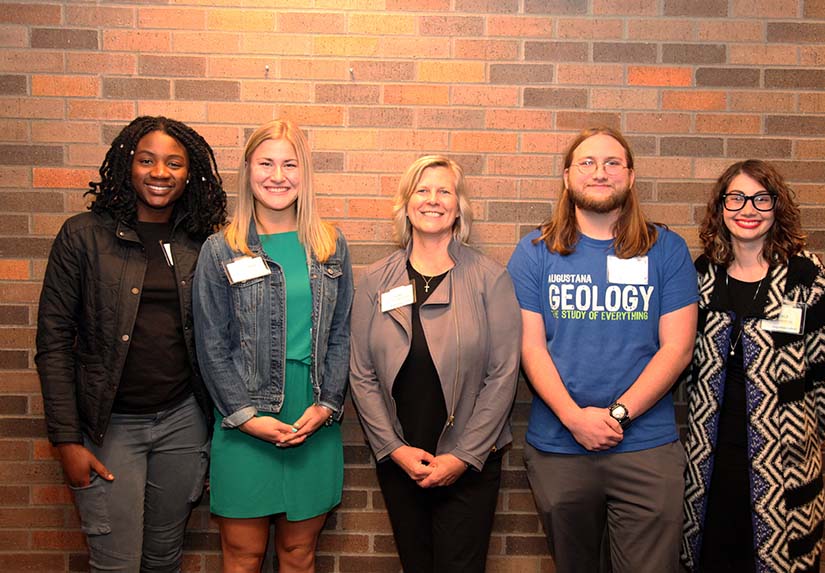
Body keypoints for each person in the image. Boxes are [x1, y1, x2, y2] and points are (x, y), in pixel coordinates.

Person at [35, 116, 227, 572]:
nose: (160, 172)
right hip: (109, 427)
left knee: (164, 559)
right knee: (116, 563)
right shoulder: (82, 235)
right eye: (147, 160)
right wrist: (66, 439)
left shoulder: (202, 243)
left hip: (183, 423)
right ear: (127, 165)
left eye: (174, 163)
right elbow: (54, 341)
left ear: (190, 174)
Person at [506, 127, 698, 573]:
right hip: (559, 447)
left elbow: (677, 348)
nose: (600, 172)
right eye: (587, 163)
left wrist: (616, 417)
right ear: (567, 177)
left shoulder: (665, 249)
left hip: (645, 448)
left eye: (613, 163)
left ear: (630, 178)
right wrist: (575, 419)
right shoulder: (535, 251)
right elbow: (529, 347)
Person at [192, 119, 352, 573]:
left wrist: (327, 405)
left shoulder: (329, 245)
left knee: (299, 555)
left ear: (305, 174)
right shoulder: (220, 249)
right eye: (266, 163)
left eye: (289, 163)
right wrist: (246, 418)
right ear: (247, 170)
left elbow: (341, 334)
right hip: (244, 416)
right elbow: (211, 346)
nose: (277, 176)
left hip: (312, 417)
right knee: (241, 557)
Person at [348, 155, 521, 573]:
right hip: (401, 460)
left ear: (459, 206)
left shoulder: (489, 279)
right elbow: (361, 374)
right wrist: (394, 449)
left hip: (471, 461)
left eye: (445, 191)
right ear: (406, 204)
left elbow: (503, 375)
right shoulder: (376, 280)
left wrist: (463, 455)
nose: (433, 200)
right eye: (422, 191)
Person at [681, 160, 825, 573]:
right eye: (735, 198)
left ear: (777, 207)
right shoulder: (702, 275)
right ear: (721, 208)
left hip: (786, 466)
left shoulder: (806, 276)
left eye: (760, 198)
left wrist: (800, 432)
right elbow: (684, 365)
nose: (747, 208)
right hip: (710, 466)